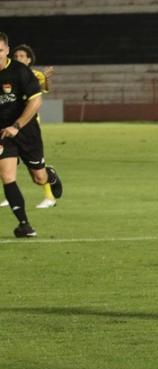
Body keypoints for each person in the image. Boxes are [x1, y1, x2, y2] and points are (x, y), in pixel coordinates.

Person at [0, 32, 63, 237]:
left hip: (26, 131)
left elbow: (36, 102)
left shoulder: (20, 72)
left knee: (39, 177)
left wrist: (17, 126)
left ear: (7, 50)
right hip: (3, 133)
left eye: (0, 50)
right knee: (7, 175)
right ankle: (25, 225)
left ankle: (49, 175)